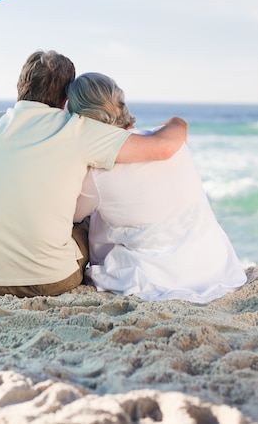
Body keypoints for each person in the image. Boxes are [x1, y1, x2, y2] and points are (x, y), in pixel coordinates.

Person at [0, 50, 187, 298]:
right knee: (86, 218)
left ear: (19, 86)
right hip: (52, 280)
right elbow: (164, 147)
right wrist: (178, 123)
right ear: (66, 98)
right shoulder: (78, 130)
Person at [68, 72, 247, 303]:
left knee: (86, 217)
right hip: (215, 264)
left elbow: (71, 215)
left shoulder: (96, 173)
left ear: (81, 119)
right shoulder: (170, 142)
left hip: (157, 276)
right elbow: (176, 125)